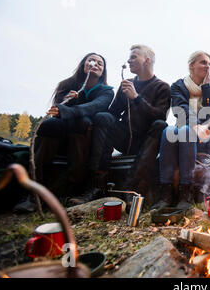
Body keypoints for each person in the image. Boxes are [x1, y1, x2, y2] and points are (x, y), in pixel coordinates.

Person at [68, 45, 170, 206]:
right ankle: (97, 185)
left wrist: (136, 98)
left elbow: (159, 115)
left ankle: (132, 187)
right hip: (124, 139)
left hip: (146, 142)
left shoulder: (162, 87)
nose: (128, 60)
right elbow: (113, 113)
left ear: (147, 60)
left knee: (161, 125)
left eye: (134, 57)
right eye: (129, 57)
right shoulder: (127, 83)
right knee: (104, 117)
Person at [13, 53, 114, 213]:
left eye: (99, 63)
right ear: (83, 64)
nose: (95, 64)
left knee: (83, 121)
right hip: (60, 135)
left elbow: (96, 107)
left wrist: (70, 109)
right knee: (48, 125)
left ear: (103, 71)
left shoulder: (107, 92)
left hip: (85, 138)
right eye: (91, 60)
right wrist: (68, 101)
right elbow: (57, 110)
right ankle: (34, 191)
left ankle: (75, 185)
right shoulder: (66, 84)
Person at [157, 51, 210, 211]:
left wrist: (207, 88)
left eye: (209, 63)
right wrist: (196, 125)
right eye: (203, 62)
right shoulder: (178, 86)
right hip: (184, 133)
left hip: (206, 139)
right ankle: (165, 193)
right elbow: (179, 108)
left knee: (185, 130)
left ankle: (185, 192)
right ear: (191, 65)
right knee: (169, 131)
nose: (207, 66)